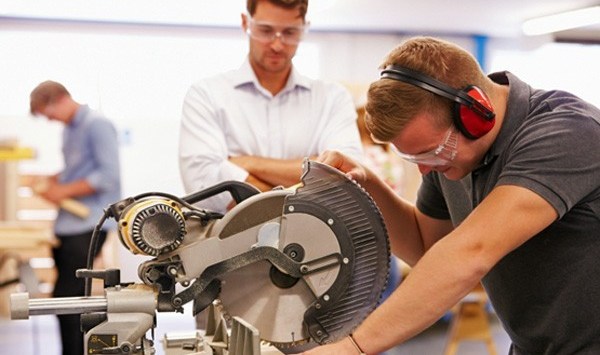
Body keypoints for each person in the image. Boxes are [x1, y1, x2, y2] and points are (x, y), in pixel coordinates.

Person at [300, 36, 600, 354]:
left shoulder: (567, 133)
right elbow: (425, 245)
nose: (426, 171)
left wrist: (353, 347)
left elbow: (472, 250)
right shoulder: (451, 156)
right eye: (416, 159)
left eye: (430, 154)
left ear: (476, 113)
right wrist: (365, 184)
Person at [178, 0, 363, 213]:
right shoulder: (206, 95)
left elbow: (344, 175)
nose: (277, 45)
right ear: (245, 22)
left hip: (314, 244)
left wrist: (248, 164)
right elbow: (204, 186)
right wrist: (304, 188)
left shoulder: (333, 98)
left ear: (305, 28)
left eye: (290, 32)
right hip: (229, 244)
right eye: (265, 31)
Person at [30, 80, 121, 355]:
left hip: (88, 225)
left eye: (48, 113)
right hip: (69, 227)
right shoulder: (70, 131)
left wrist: (62, 191)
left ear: (58, 100)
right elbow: (76, 170)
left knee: (68, 303)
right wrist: (52, 181)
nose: (50, 120)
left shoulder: (97, 125)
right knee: (64, 301)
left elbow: (108, 177)